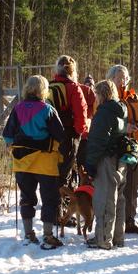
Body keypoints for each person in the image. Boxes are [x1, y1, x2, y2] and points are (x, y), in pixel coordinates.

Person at [2, 75, 66, 250]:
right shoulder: (48, 109)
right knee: (49, 199)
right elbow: (61, 135)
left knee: (27, 198)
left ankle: (29, 234)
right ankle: (48, 235)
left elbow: (7, 135)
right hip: (45, 162)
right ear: (43, 90)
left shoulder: (17, 109)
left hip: (22, 162)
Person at [106, 65, 138, 235]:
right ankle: (114, 220)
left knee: (133, 185)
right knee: (116, 185)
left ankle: (129, 220)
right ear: (111, 79)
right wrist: (125, 127)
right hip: (116, 148)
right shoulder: (108, 97)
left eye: (125, 77)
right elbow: (103, 120)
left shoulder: (133, 96)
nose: (122, 81)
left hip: (134, 147)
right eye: (118, 77)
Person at [85, 80, 128, 250]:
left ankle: (103, 238)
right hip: (120, 158)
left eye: (96, 94)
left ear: (101, 94)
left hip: (106, 159)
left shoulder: (103, 113)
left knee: (104, 199)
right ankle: (118, 236)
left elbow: (97, 141)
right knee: (119, 198)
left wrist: (90, 164)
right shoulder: (121, 110)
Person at [48, 55, 88, 188]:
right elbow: (81, 112)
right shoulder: (74, 87)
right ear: (73, 71)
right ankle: (62, 205)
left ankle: (51, 203)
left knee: (52, 171)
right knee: (65, 171)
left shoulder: (49, 86)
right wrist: (80, 133)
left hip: (50, 136)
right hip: (68, 135)